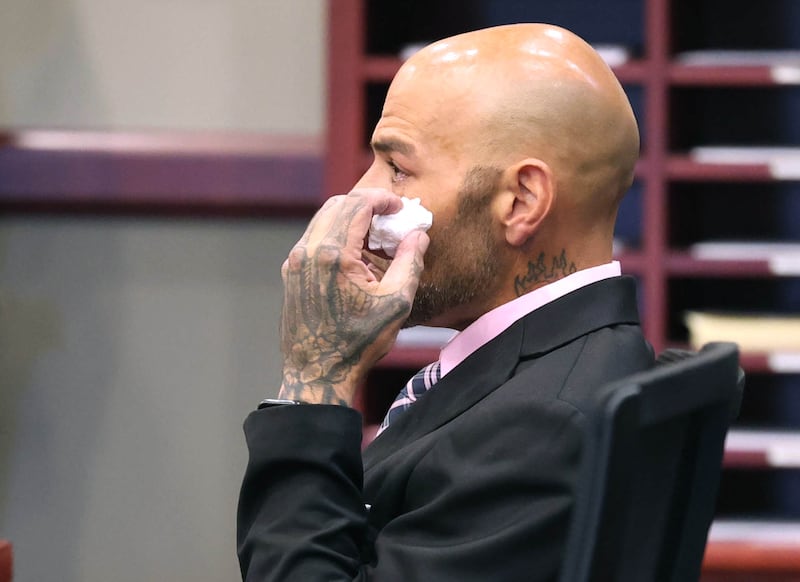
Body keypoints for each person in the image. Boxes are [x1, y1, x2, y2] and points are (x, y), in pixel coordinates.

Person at [237, 23, 654, 581]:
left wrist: (316, 378)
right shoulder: (571, 362)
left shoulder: (539, 432)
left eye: (398, 168)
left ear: (521, 201)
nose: (361, 193)